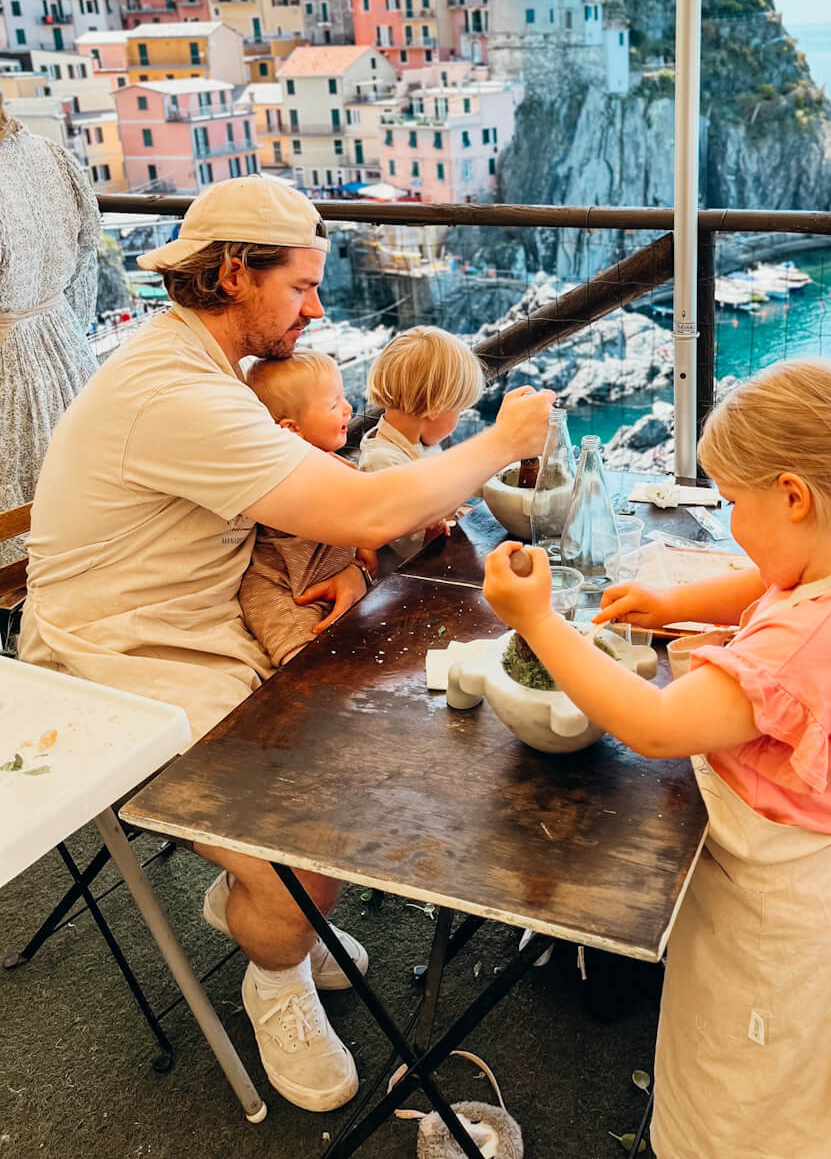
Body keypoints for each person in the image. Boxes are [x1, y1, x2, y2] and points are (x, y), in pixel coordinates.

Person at [20, 175, 553, 1115]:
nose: (317, 307)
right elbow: (371, 501)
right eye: (302, 287)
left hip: (207, 628)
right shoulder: (174, 395)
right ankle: (275, 966)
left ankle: (274, 917)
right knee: (321, 828)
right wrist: (501, 438)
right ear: (233, 274)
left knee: (377, 732)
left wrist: (344, 569)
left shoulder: (201, 371)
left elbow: (287, 513)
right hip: (119, 664)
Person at [482, 359, 831, 1159]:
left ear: (794, 495)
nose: (729, 520)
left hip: (778, 904)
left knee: (744, 1074)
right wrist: (673, 605)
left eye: (732, 503)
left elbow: (656, 726)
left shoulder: (807, 648)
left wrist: (537, 621)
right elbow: (772, 582)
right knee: (801, 1050)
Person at [0, 96, 99, 567]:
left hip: (10, 373)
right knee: (73, 511)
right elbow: (84, 274)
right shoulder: (51, 157)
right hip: (69, 354)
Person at [238, 351, 361, 666]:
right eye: (334, 404)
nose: (348, 408)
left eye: (343, 397)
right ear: (291, 429)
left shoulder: (327, 462)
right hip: (279, 589)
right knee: (303, 659)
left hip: (318, 579)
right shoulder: (291, 475)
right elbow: (370, 511)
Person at [358, 324, 485, 562]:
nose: (458, 420)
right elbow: (411, 550)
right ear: (435, 408)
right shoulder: (383, 462)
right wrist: (434, 526)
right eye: (458, 410)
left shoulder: (420, 443)